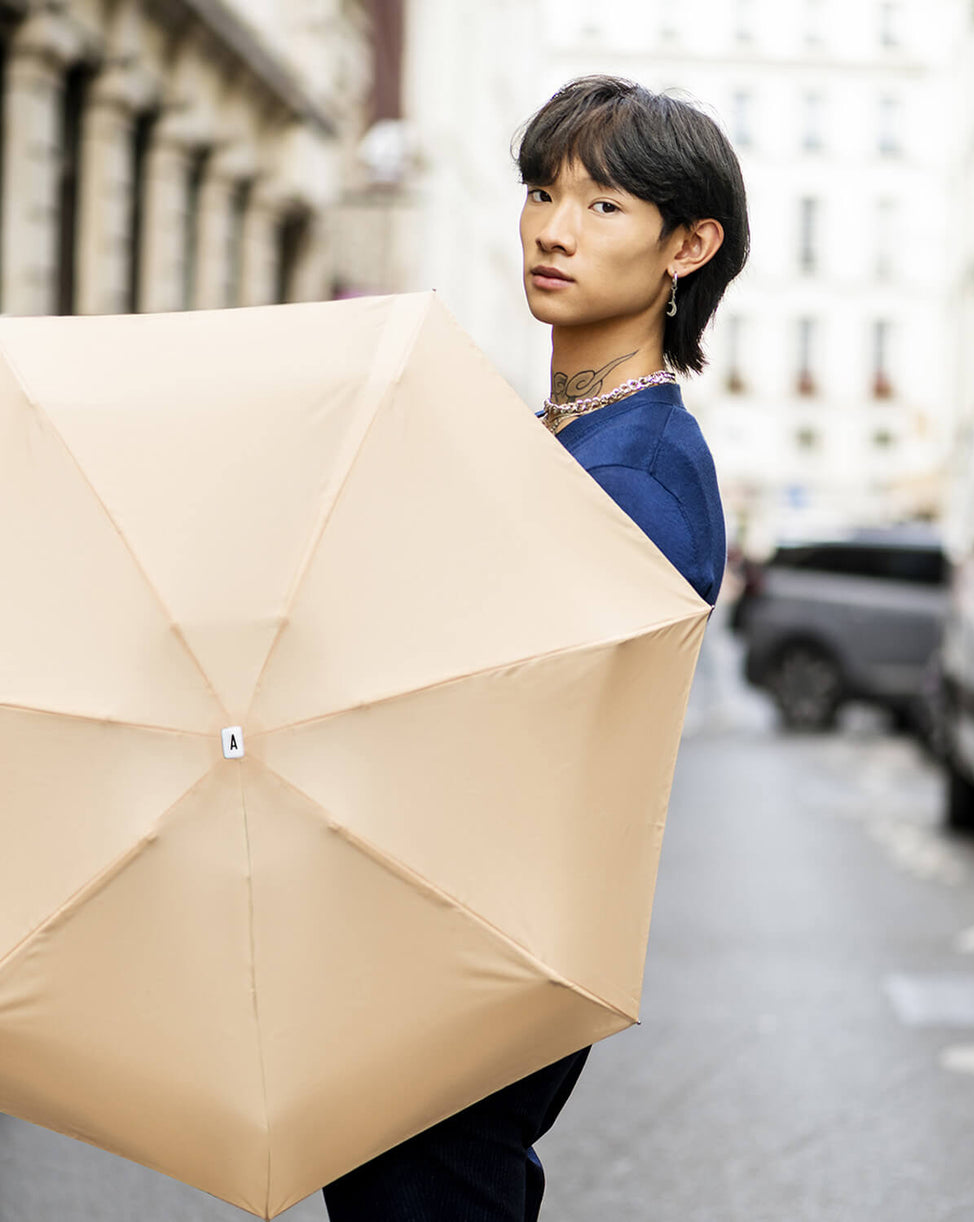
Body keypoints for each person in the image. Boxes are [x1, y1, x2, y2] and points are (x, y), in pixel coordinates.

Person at [323, 73, 749, 1222]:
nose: (552, 230)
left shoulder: (638, 472)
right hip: (446, 934)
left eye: (603, 206)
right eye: (539, 191)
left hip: (487, 955)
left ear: (687, 245)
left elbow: (528, 737)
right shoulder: (564, 443)